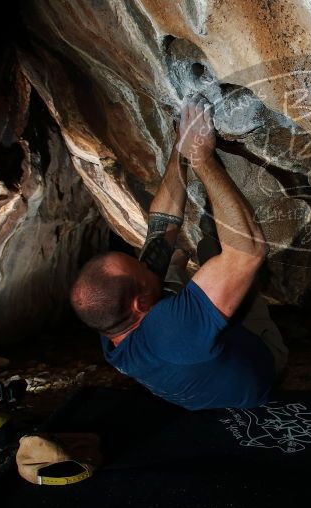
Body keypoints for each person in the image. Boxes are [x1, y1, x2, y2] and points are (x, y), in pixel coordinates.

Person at [69, 95, 288, 409]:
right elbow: (249, 250)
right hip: (260, 375)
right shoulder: (172, 331)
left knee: (171, 261)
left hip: (192, 362)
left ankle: (197, 301)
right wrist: (202, 157)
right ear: (139, 304)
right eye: (140, 269)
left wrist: (180, 148)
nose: (147, 262)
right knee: (216, 247)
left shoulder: (112, 330)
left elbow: (161, 226)